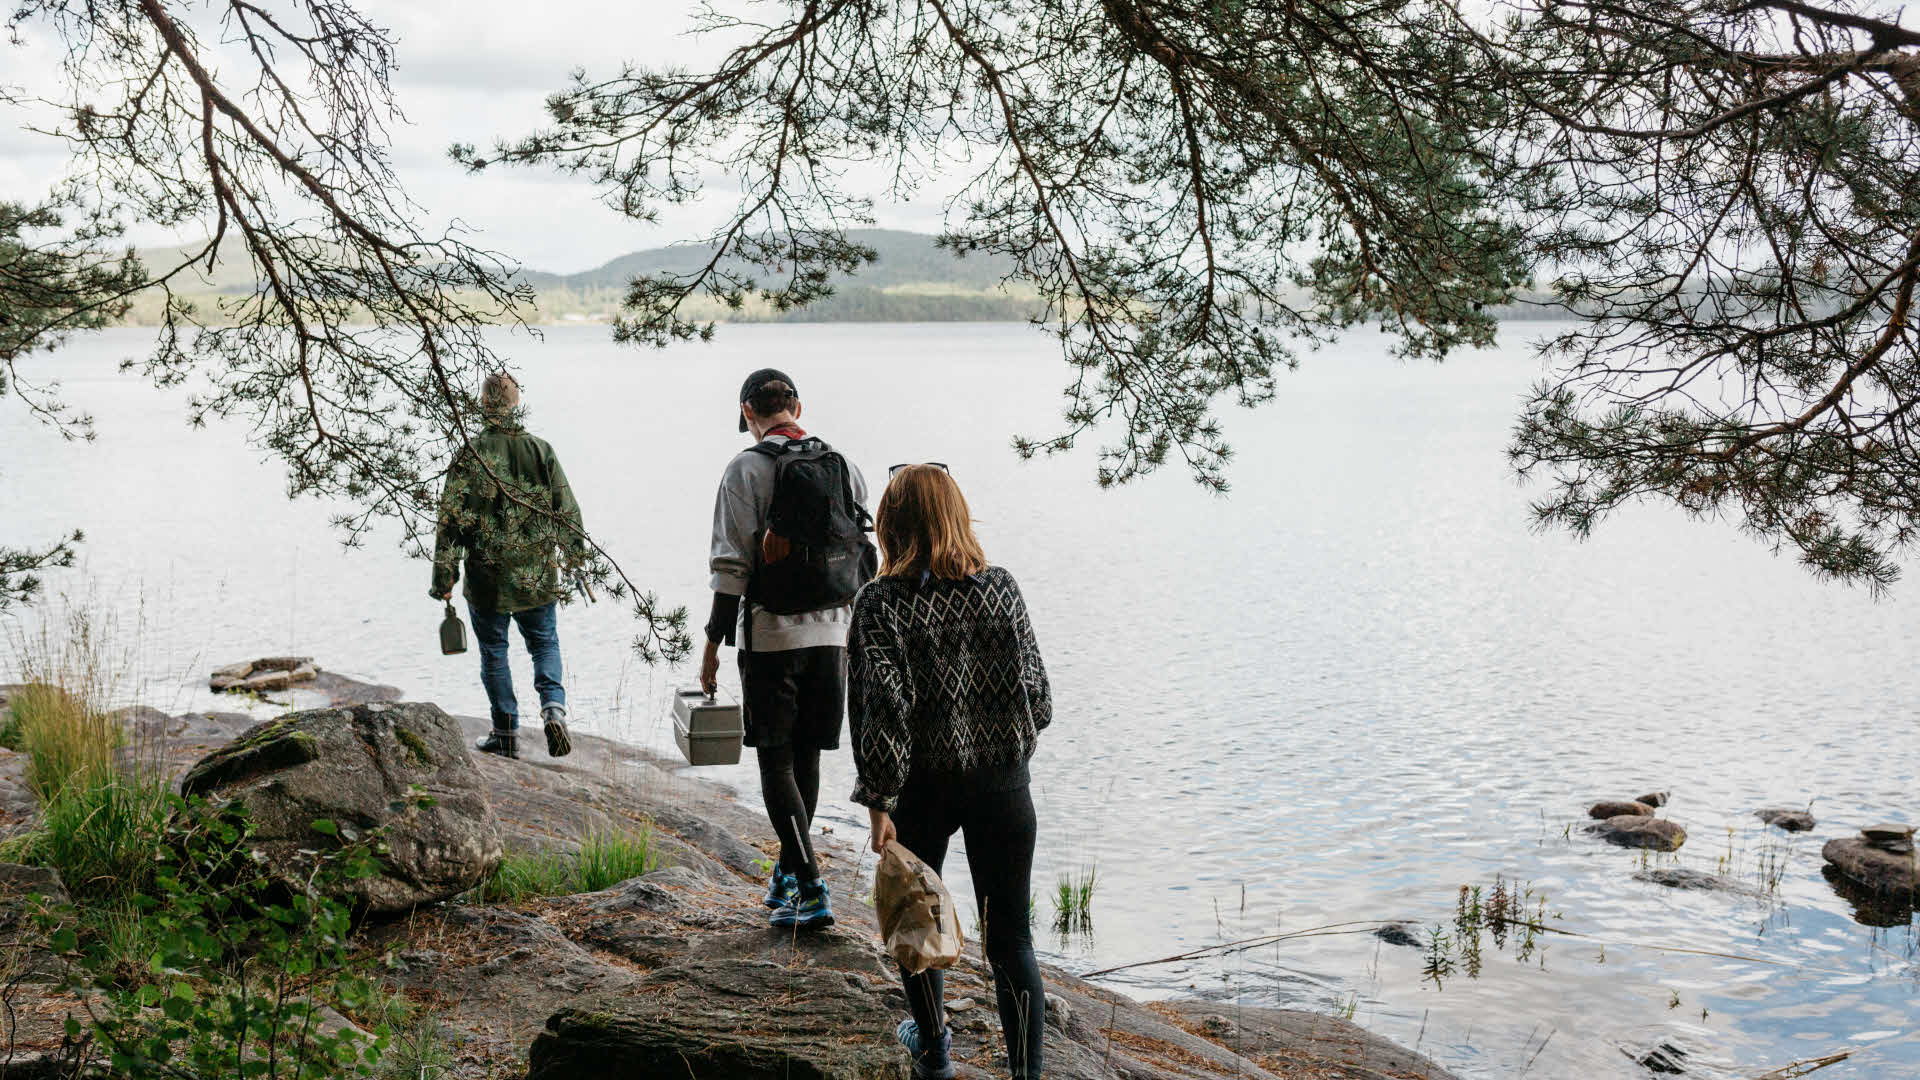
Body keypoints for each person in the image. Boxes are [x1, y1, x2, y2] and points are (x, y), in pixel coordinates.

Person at [849, 464, 1051, 1080]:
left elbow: (882, 710)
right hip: (1003, 788)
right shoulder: (1002, 588)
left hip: (922, 792)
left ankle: (934, 1049)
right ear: (957, 514)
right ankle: (1026, 1076)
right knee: (1011, 943)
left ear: (891, 524)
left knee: (917, 919)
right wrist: (1003, 749)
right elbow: (1038, 698)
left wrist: (879, 799)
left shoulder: (881, 603)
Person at [701, 368, 873, 930]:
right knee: (807, 757)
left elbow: (731, 566)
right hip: (834, 635)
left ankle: (810, 885)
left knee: (776, 762)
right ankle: (788, 871)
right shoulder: (844, 466)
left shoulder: (744, 470)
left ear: (747, 412)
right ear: (797, 405)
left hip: (773, 636)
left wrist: (712, 646)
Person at [431, 372, 582, 761]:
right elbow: (567, 509)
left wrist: (444, 578)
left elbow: (450, 523)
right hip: (537, 576)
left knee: (494, 653)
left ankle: (506, 733)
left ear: (483, 405)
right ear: (516, 405)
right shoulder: (540, 450)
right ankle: (553, 709)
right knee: (544, 643)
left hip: (487, 580)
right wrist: (576, 557)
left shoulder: (469, 454)